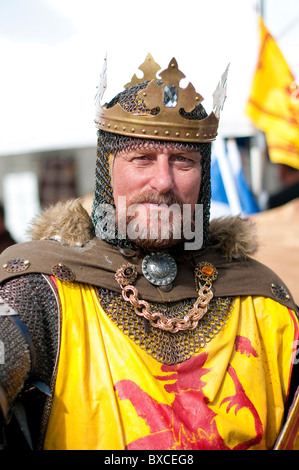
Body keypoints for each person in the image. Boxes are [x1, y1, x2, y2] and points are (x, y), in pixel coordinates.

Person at [0, 54, 298, 451]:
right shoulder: (43, 286)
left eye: (183, 161)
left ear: (202, 176)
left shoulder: (261, 300)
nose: (163, 181)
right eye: (142, 158)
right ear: (107, 167)